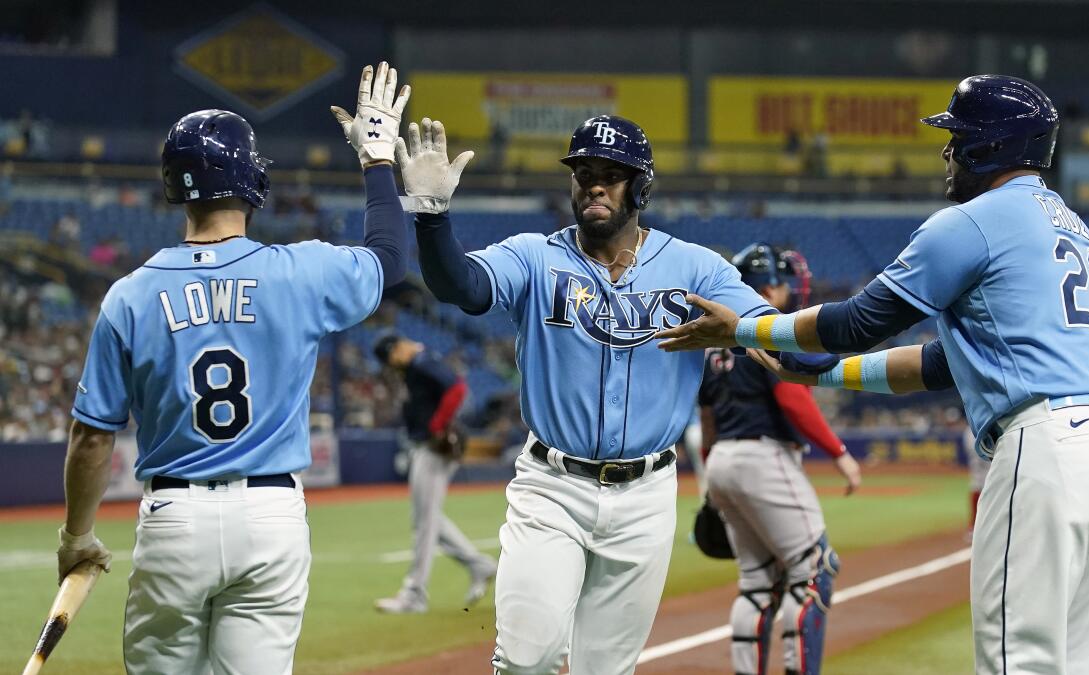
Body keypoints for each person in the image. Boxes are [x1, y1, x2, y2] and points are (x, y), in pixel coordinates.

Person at [656, 75, 1089, 675]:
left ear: (988, 147)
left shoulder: (973, 223)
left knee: (1016, 662)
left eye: (957, 137)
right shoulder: (1072, 227)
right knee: (1080, 665)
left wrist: (746, 330)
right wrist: (823, 378)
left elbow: (857, 321)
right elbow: (940, 362)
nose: (947, 152)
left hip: (1051, 446)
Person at [56, 62, 412, 674]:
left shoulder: (130, 295)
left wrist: (76, 537)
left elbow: (93, 437)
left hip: (174, 519)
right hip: (270, 517)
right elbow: (390, 259)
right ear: (253, 181)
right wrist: (378, 163)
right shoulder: (301, 271)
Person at [393, 113, 776, 675]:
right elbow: (462, 287)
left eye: (612, 174)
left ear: (641, 186)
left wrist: (754, 331)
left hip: (647, 495)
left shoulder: (696, 268)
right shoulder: (533, 256)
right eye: (583, 172)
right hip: (552, 487)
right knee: (527, 661)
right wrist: (431, 217)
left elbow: (775, 332)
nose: (594, 183)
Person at [698, 242, 861, 675]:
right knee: (815, 571)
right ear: (767, 290)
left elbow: (707, 418)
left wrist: (712, 484)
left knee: (756, 586)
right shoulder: (765, 327)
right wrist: (839, 453)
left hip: (721, 461)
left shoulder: (714, 342)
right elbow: (791, 396)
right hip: (763, 455)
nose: (787, 292)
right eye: (780, 285)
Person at [372, 332, 498, 613]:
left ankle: (415, 594)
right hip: (426, 446)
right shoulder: (418, 362)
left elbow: (457, 389)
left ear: (395, 351)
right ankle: (479, 565)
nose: (391, 365)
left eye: (390, 358)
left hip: (433, 447)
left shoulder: (421, 361)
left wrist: (438, 425)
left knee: (424, 523)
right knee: (426, 518)